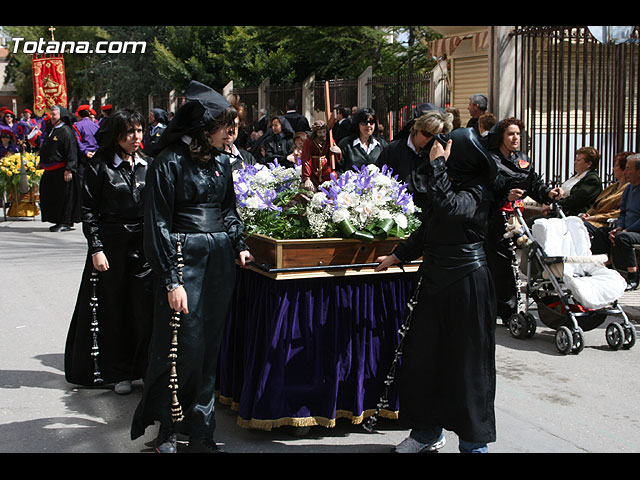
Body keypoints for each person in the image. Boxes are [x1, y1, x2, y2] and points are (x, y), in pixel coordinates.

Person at [131, 80, 253, 454]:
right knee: (178, 347)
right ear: (204, 128)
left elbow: (228, 210)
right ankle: (167, 430)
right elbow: (157, 225)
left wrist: (239, 243)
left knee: (207, 351)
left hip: (219, 265)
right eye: (223, 126)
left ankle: (200, 430)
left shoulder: (221, 163)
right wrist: (171, 280)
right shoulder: (167, 163)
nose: (229, 133)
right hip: (183, 262)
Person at [375, 125, 498, 453]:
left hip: (467, 282)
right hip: (435, 280)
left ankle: (474, 443)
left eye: (447, 148)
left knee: (466, 366)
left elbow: (450, 208)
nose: (440, 150)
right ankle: (427, 431)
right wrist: (398, 255)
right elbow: (430, 227)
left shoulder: (479, 188)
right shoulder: (448, 182)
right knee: (424, 360)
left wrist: (438, 165)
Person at [64, 110, 154, 395]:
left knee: (143, 309)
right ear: (117, 135)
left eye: (139, 131)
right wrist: (97, 248)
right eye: (129, 132)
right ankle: (119, 372)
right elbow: (89, 211)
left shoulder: (148, 165)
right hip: (112, 246)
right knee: (114, 311)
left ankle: (144, 367)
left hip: (143, 246)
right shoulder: (100, 167)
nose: (135, 137)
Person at [485, 117, 563, 322]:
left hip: (516, 220)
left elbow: (535, 185)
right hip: (493, 218)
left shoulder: (522, 160)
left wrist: (549, 193)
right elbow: (483, 190)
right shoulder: (490, 160)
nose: (515, 138)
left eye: (518, 134)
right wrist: (505, 196)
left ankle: (512, 307)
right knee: (501, 265)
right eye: (511, 134)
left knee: (518, 261)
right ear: (501, 137)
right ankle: (505, 309)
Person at [375, 109, 454, 188]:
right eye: (426, 134)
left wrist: (439, 164)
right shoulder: (393, 149)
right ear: (416, 128)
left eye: (434, 136)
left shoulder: (438, 153)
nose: (429, 140)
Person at [595, 154, 640, 290]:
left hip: (636, 231)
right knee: (601, 233)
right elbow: (623, 212)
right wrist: (619, 227)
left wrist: (626, 230)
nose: (625, 172)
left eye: (629, 169)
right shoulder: (628, 189)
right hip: (626, 229)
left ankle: (633, 276)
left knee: (624, 238)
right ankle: (608, 270)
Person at [38, 105, 81, 232]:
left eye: (53, 114)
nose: (51, 117)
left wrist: (69, 168)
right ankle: (57, 219)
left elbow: (71, 151)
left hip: (62, 170)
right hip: (51, 170)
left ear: (61, 116)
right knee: (52, 196)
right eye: (50, 114)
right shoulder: (54, 129)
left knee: (64, 197)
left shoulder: (66, 131)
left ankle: (65, 221)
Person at [549, 146, 603, 217]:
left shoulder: (592, 180)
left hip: (574, 216)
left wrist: (551, 207)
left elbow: (575, 200)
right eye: (575, 160)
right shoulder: (576, 176)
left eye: (578, 160)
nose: (575, 162)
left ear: (589, 164)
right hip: (561, 212)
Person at [337, 107, 387, 173]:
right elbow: (339, 171)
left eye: (371, 122)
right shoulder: (346, 145)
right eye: (364, 122)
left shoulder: (382, 145)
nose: (368, 125)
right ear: (357, 124)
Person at [301, 120, 342, 191]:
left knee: (333, 176)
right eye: (320, 132)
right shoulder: (309, 142)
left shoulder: (329, 139)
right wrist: (307, 178)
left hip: (325, 167)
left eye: (324, 132)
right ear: (315, 133)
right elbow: (306, 159)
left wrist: (338, 152)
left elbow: (335, 153)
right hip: (313, 168)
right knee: (310, 187)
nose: (323, 135)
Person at [73, 105, 100, 185]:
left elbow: (77, 141)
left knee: (82, 180)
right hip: (95, 154)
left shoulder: (77, 126)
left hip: (83, 156)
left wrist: (85, 152)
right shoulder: (95, 125)